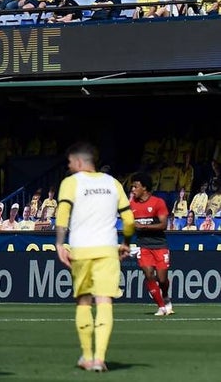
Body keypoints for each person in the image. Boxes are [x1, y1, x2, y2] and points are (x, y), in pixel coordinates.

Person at [55, 142, 134, 373]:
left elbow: (63, 214)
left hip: (81, 250)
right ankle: (100, 358)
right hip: (107, 250)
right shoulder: (113, 183)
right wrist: (126, 243)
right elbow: (129, 220)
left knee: (83, 301)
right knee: (104, 301)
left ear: (79, 162)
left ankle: (87, 357)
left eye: (70, 163)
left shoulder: (71, 183)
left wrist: (59, 243)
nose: (69, 167)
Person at [129, 173, 172, 316]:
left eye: (136, 186)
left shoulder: (158, 202)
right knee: (148, 275)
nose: (133, 189)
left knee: (162, 279)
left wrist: (144, 227)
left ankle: (165, 296)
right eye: (132, 187)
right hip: (143, 245)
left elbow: (163, 225)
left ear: (144, 188)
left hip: (160, 244)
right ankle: (161, 307)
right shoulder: (132, 205)